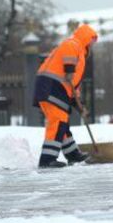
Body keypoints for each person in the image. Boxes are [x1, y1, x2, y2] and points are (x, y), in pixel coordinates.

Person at [33, 24, 98, 168]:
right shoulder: (73, 43)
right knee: (58, 122)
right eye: (92, 40)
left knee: (62, 123)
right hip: (51, 86)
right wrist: (69, 68)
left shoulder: (80, 54)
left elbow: (73, 87)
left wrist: (79, 106)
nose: (92, 44)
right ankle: (47, 159)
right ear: (86, 37)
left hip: (54, 87)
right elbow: (67, 54)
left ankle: (73, 155)